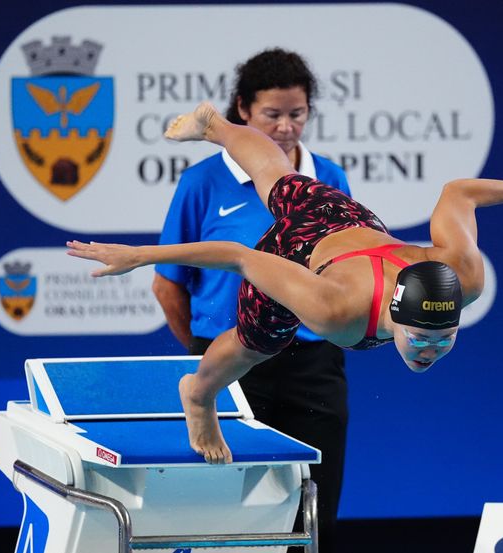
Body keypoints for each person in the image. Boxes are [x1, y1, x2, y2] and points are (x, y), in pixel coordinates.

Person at [67, 102, 503, 470]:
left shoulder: (465, 276)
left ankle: (215, 125)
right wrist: (140, 255)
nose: (430, 351)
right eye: (421, 338)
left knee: (281, 175)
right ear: (395, 314)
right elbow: (237, 256)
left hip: (352, 224)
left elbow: (458, 193)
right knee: (256, 344)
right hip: (298, 253)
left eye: (443, 339)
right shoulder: (336, 311)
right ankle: (198, 396)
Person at [151, 48, 350, 552]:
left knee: (314, 507)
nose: (285, 128)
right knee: (225, 508)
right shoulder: (201, 183)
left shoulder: (328, 179)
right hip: (232, 361)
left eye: (297, 114)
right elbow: (168, 283)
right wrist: (208, 347)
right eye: (272, 115)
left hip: (313, 366)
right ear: (243, 110)